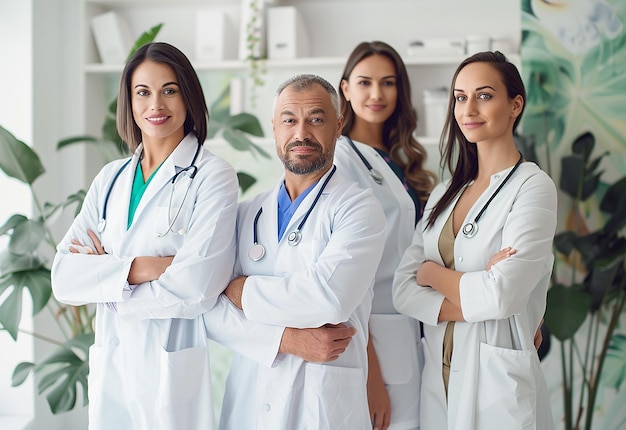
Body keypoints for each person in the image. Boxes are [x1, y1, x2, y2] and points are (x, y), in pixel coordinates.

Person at [50, 42, 239, 430]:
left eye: (169, 90)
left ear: (188, 96)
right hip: (112, 366)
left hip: (168, 368)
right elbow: (64, 277)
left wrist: (106, 281)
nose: (156, 104)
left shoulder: (212, 175)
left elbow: (198, 285)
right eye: (143, 92)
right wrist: (147, 267)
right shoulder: (111, 178)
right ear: (129, 101)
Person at [205, 74, 386, 429]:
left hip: (322, 406)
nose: (301, 133)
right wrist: (286, 339)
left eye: (316, 119)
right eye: (289, 120)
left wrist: (239, 290)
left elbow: (327, 297)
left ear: (339, 125)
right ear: (274, 127)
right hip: (249, 403)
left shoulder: (359, 209)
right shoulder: (245, 214)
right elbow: (208, 309)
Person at [392, 50, 557, 430]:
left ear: (515, 104)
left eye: (484, 95)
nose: (468, 109)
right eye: (460, 97)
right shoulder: (445, 192)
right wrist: (477, 288)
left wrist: (433, 274)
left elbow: (502, 296)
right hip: (438, 375)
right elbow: (402, 290)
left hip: (496, 381)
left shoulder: (532, 187)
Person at [334, 41, 436, 430]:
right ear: (345, 89)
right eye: (365, 82)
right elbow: (344, 275)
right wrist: (370, 375)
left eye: (388, 83)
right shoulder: (340, 160)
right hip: (374, 340)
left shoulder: (401, 158)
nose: (377, 94)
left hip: (413, 329)